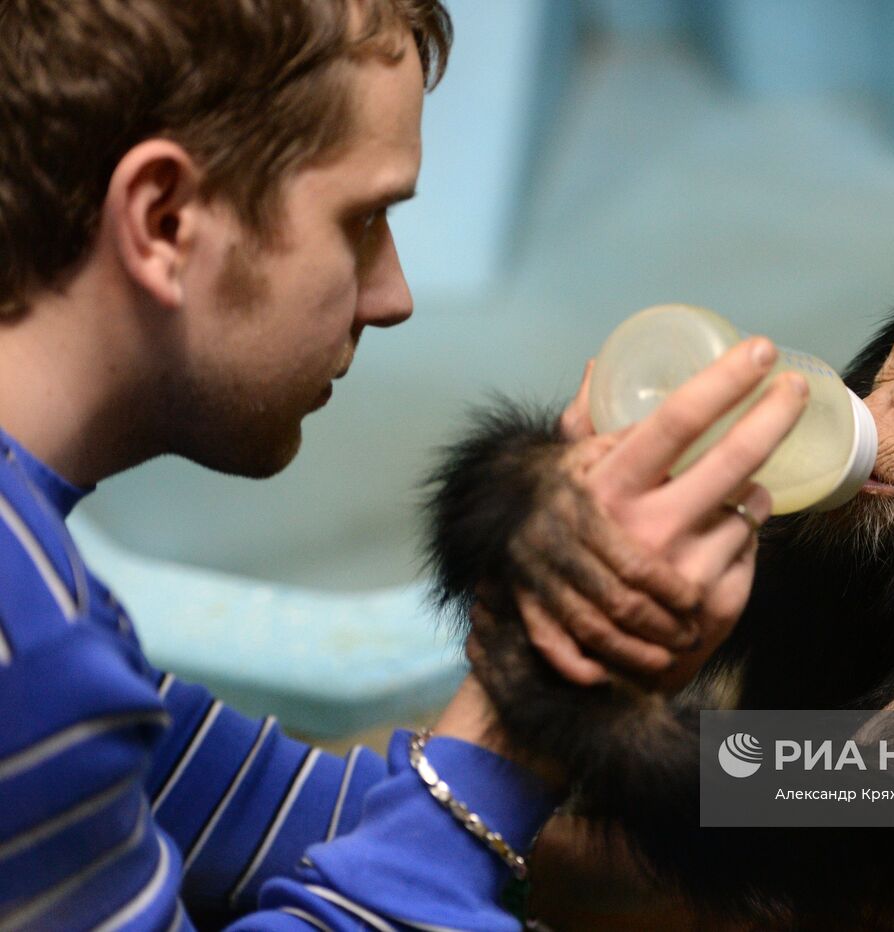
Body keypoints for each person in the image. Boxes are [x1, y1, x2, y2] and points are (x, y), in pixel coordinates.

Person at [0, 1, 808, 928]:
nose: (395, 296)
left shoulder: (45, 595)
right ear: (164, 218)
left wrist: (876, 799)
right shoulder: (30, 649)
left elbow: (229, 804)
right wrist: (528, 709)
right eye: (363, 220)